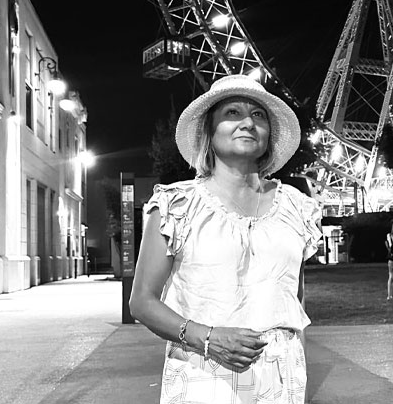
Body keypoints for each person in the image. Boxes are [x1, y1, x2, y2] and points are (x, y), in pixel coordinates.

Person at [130, 74, 321, 403]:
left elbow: (293, 301)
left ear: (269, 135)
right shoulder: (178, 206)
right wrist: (208, 339)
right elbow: (142, 302)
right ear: (209, 129)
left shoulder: (296, 208)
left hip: (281, 379)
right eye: (233, 113)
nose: (248, 122)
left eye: (258, 115)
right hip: (203, 372)